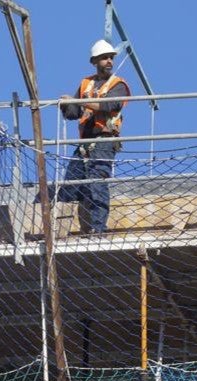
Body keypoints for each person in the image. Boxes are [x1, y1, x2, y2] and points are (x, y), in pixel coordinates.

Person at [57, 39, 131, 235]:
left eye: (111, 58)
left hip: (104, 141)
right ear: (94, 61)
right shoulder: (86, 84)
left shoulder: (118, 84)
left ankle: (98, 229)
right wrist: (66, 104)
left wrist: (79, 101)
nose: (109, 61)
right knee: (71, 185)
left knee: (97, 181)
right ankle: (62, 229)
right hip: (84, 144)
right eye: (104, 58)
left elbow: (109, 105)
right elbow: (74, 113)